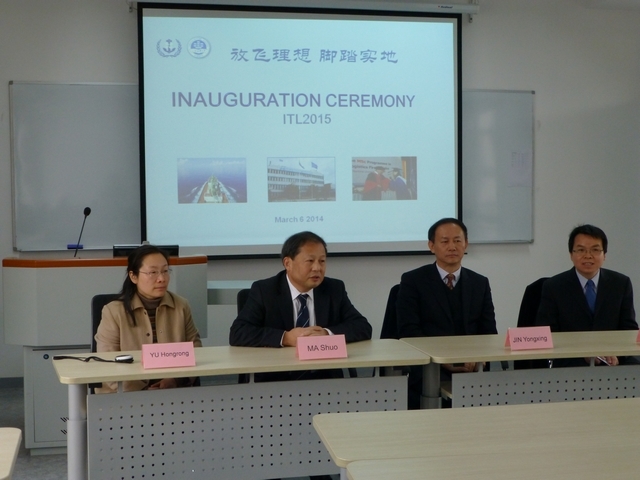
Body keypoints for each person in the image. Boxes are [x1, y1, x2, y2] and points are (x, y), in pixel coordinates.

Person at [229, 231, 372, 376]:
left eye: (322, 261)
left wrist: (326, 334)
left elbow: (362, 326)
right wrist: (286, 338)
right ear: (288, 263)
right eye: (310, 261)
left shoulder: (334, 289)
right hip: (276, 376)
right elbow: (238, 332)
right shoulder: (265, 290)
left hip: (325, 376)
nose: (317, 268)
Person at [396, 217, 497, 408]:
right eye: (444, 241)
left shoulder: (479, 283)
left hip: (471, 369)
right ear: (431, 246)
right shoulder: (413, 281)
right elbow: (409, 332)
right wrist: (443, 361)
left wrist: (478, 358)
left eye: (457, 240)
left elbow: (489, 332)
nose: (452, 247)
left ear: (466, 244)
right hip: (429, 369)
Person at [95, 245, 201, 393]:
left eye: (165, 271)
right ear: (133, 276)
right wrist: (144, 392)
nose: (161, 279)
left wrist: (175, 380)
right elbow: (107, 364)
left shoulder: (181, 306)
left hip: (173, 393)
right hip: (124, 397)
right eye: (153, 272)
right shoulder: (113, 312)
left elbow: (196, 351)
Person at [535, 224, 638, 367]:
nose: (588, 256)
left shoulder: (621, 283)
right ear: (571, 254)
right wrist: (582, 353)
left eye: (595, 250)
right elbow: (547, 333)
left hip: (612, 360)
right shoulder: (553, 286)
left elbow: (629, 329)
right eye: (581, 250)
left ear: (604, 255)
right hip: (571, 361)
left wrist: (616, 352)